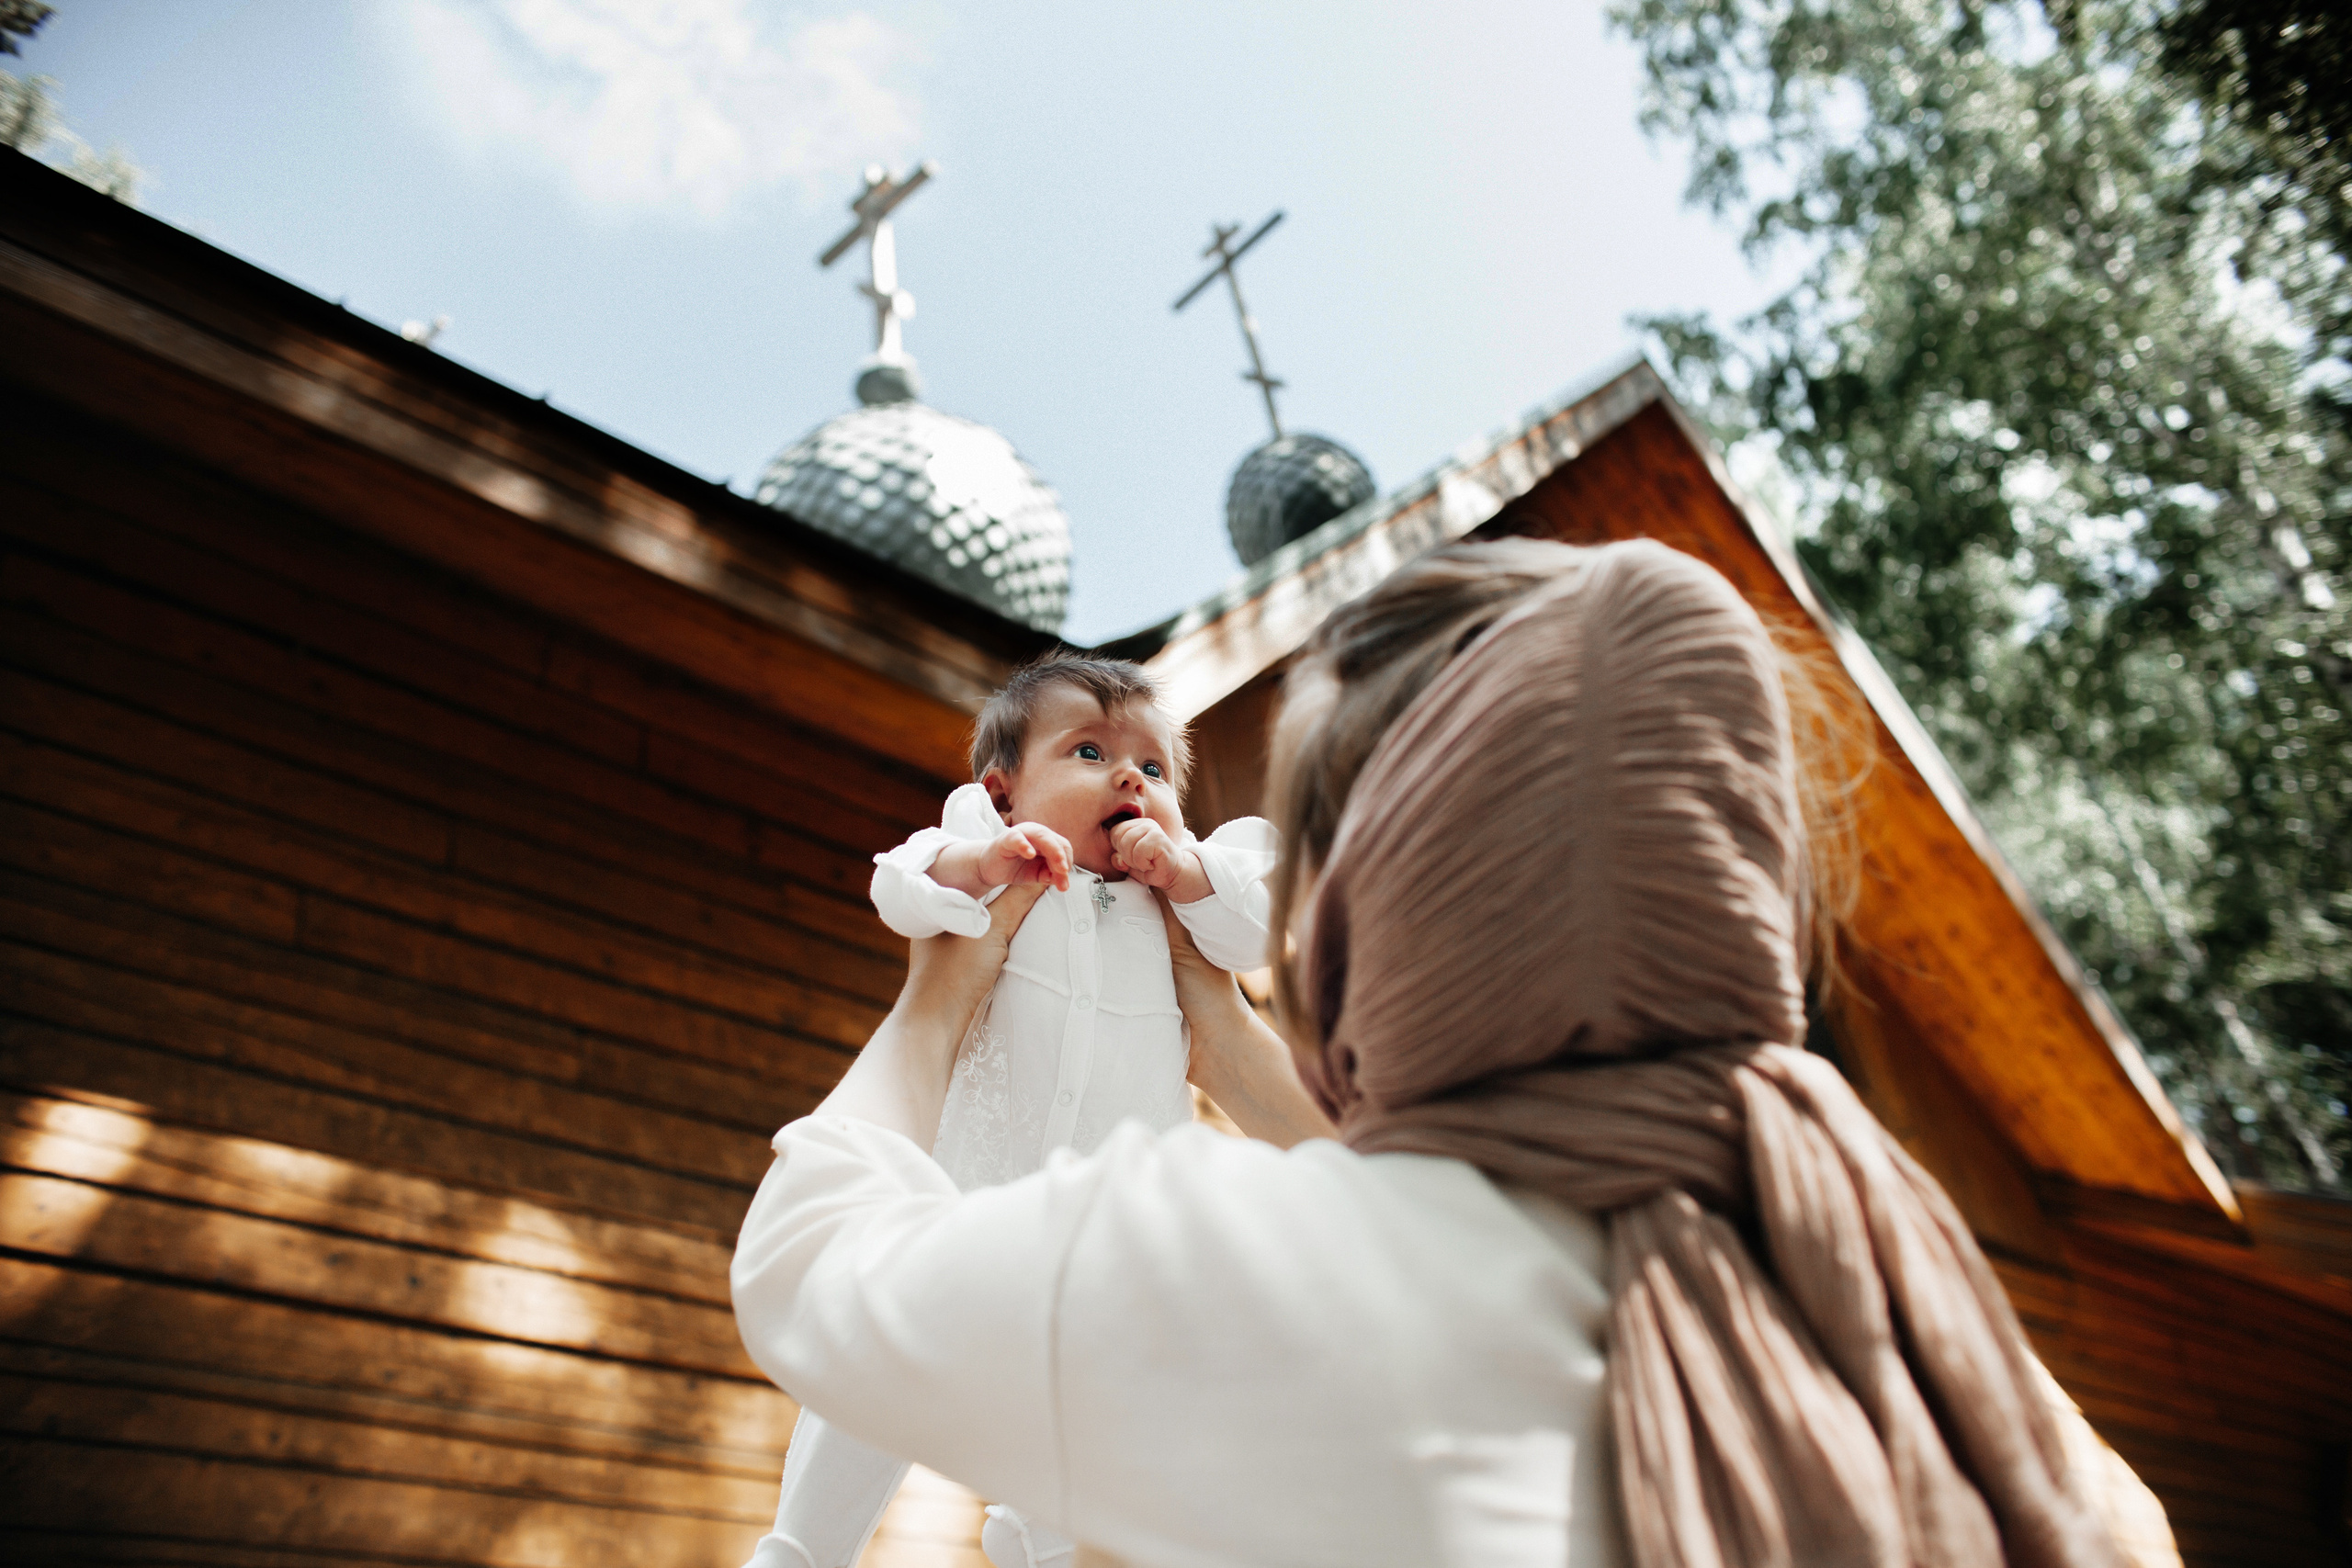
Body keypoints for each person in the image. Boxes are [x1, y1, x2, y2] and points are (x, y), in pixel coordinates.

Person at [733, 537, 2143, 1568]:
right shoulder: (1968, 1376)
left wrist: (932, 1001)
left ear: (1364, 914)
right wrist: (1220, 1022)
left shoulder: (1211, 1267)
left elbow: (806, 1268)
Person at [741, 653, 1277, 1568]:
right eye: (1087, 752)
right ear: (1002, 791)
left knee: (1093, 1422)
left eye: (1151, 768)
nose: (1127, 779)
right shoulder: (989, 863)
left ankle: (1042, 1541)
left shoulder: (1188, 898)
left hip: (1109, 1232)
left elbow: (1257, 927)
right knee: (881, 1371)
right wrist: (978, 861)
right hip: (965, 1187)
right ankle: (803, 1550)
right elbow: (899, 889)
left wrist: (1186, 874)